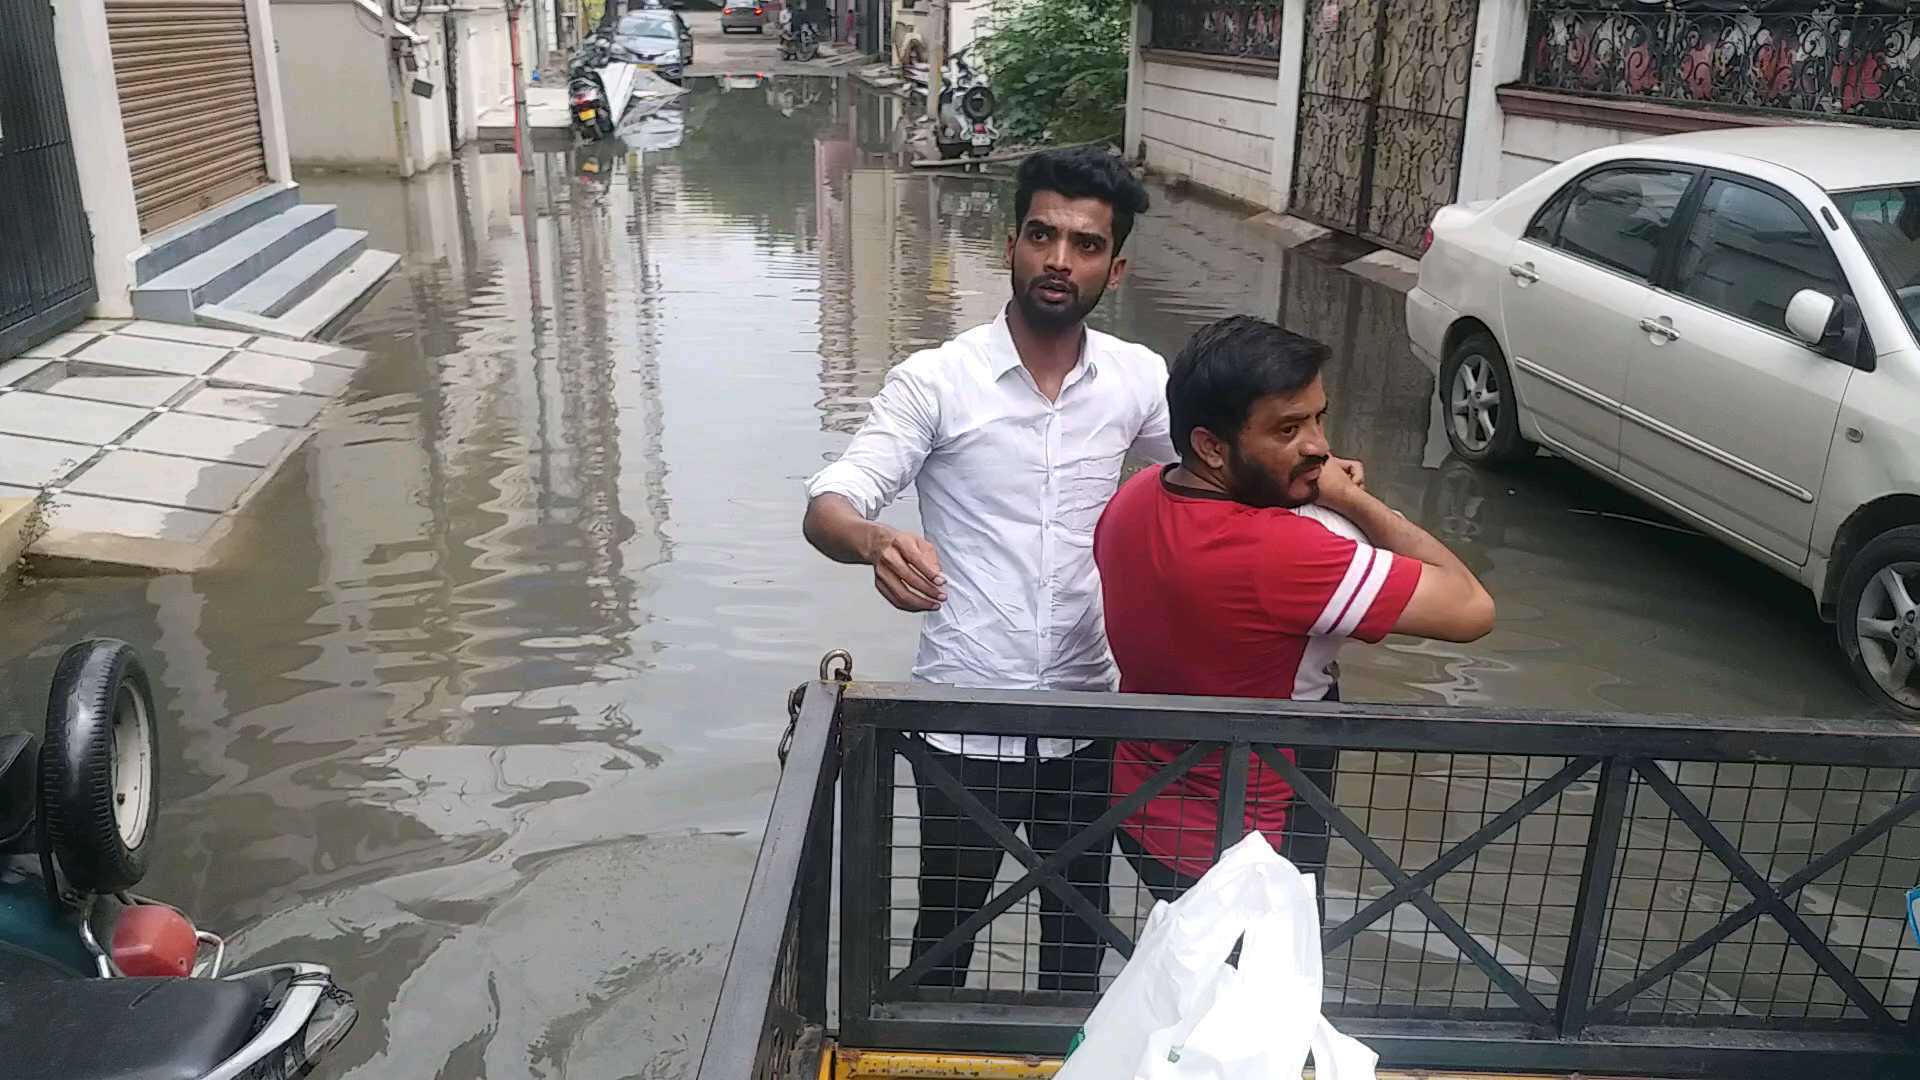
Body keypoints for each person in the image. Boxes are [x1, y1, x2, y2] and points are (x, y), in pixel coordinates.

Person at [802, 147, 1171, 990]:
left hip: (1090, 715)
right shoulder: (938, 381)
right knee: (945, 931)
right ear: (1011, 243)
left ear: (1115, 268)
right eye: (1043, 235)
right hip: (964, 717)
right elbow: (832, 499)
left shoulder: (1138, 381)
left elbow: (1219, 473)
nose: (1058, 259)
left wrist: (1327, 486)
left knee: (1080, 934)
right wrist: (872, 542)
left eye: (1084, 245)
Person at [1093, 315, 1495, 902]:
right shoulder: (1284, 555)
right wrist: (1349, 497)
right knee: (1261, 989)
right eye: (1287, 430)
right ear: (1211, 445)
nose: (1320, 448)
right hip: (1250, 844)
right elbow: (1470, 607)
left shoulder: (1137, 494)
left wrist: (1299, 480)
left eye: (1317, 418)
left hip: (1143, 809)